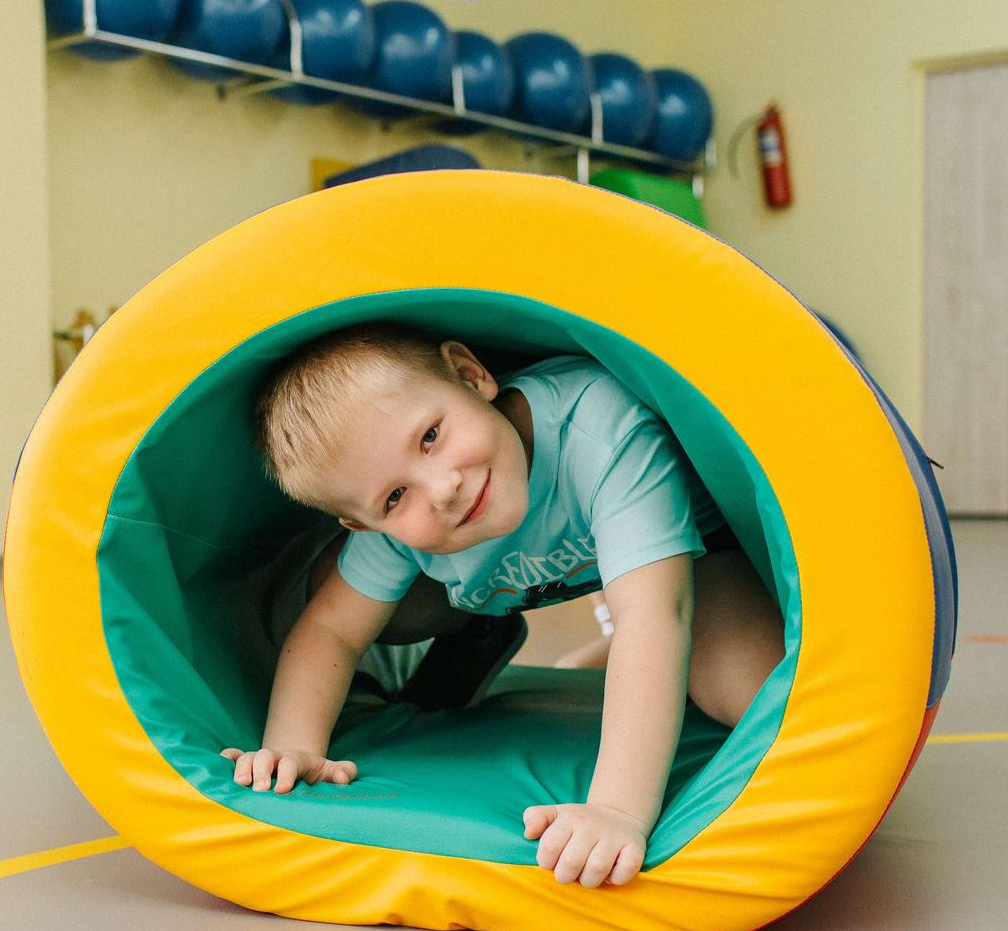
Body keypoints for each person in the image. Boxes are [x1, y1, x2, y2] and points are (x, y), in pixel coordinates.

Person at [222, 323, 783, 889]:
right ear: (360, 522)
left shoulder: (602, 428)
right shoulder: (401, 515)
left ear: (471, 376)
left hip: (691, 561)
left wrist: (617, 811)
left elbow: (655, 616)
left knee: (758, 694)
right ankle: (479, 628)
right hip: (512, 574)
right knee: (339, 589)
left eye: (431, 437)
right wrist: (292, 747)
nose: (442, 488)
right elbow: (332, 632)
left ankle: (593, 646)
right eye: (394, 497)